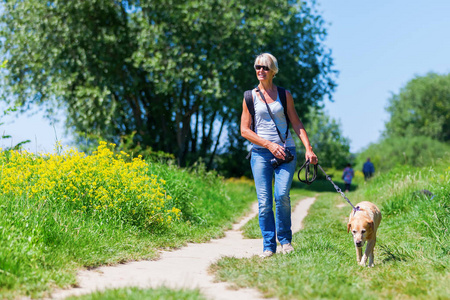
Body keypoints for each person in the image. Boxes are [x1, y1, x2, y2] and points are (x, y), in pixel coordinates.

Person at [240, 53, 318, 258]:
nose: (260, 71)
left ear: (273, 71)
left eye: (265, 67)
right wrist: (268, 145)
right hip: (260, 154)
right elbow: (245, 130)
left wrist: (309, 149)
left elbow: (296, 123)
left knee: (281, 195)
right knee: (265, 201)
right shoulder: (249, 96)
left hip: (287, 152)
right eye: (257, 67)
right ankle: (268, 245)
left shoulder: (284, 95)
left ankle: (285, 241)